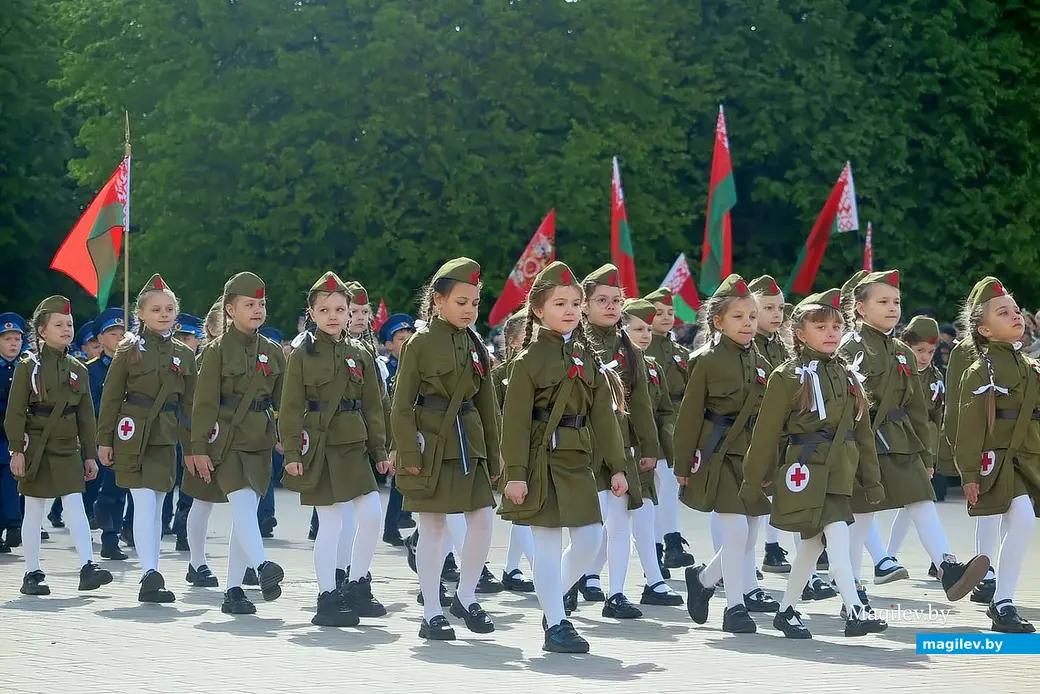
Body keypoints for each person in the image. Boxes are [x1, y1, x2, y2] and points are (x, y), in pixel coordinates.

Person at [741, 288, 888, 638]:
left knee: (811, 545)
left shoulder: (848, 375)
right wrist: (755, 478)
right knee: (837, 535)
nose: (831, 333)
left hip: (839, 471)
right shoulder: (788, 375)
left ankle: (787, 610)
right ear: (800, 333)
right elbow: (766, 433)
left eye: (837, 326)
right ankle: (855, 609)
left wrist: (872, 480)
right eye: (821, 326)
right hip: (806, 471)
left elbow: (862, 433)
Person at [499, 261, 628, 653]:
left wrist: (618, 465)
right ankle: (556, 621)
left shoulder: (584, 358)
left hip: (576, 460)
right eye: (559, 303)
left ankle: (550, 598)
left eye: (575, 303)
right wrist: (515, 474)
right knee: (548, 545)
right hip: (540, 462)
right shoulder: (528, 362)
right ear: (538, 310)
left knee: (592, 538)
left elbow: (603, 416)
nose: (570, 310)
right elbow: (516, 423)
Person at [840, 270, 989, 607]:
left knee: (922, 500)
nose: (892, 307)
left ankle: (947, 566)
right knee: (860, 518)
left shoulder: (903, 353)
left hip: (902, 442)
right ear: (860, 308)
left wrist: (927, 454)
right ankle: (851, 588)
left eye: (895, 301)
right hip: (863, 442)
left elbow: (918, 410)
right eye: (882, 301)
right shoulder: (849, 347)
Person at [390, 257, 501, 641]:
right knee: (433, 528)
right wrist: (408, 453)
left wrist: (496, 452)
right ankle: (432, 611)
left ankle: (466, 596)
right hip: (433, 444)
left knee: (483, 520)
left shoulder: (477, 345)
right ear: (438, 301)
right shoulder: (419, 344)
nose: (470, 309)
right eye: (461, 302)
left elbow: (488, 404)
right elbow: (401, 404)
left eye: (474, 302)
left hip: (470, 444)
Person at [280, 271, 390, 627]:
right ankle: (327, 596)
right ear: (311, 313)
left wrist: (380, 450)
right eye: (324, 309)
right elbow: (291, 406)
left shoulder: (361, 353)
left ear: (349, 313)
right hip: (321, 448)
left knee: (372, 514)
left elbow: (374, 406)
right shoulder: (302, 355)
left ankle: (357, 582)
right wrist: (293, 453)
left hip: (355, 446)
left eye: (340, 309)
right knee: (330, 524)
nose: (333, 316)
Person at [675, 275, 777, 634]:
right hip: (717, 454)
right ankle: (734, 607)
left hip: (750, 455)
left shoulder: (759, 359)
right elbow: (690, 414)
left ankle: (702, 580)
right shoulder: (705, 359)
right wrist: (683, 462)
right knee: (735, 532)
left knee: (750, 533)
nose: (748, 322)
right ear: (718, 321)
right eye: (739, 316)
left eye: (752, 315)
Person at [96, 275, 197, 603]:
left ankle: (151, 572)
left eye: (169, 308)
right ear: (141, 313)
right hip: (133, 434)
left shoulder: (184, 354)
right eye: (156, 309)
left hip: (166, 437)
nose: (164, 314)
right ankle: (150, 573)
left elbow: (190, 406)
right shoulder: (128, 348)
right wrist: (104, 440)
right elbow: (111, 397)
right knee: (143, 502)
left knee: (157, 504)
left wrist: (194, 447)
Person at [191, 272, 286, 615]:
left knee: (246, 512)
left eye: (261, 304)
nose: (258, 310)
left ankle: (233, 590)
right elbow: (203, 404)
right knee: (244, 506)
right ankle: (261, 566)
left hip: (259, 439)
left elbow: (284, 402)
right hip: (227, 439)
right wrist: (198, 448)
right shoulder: (216, 352)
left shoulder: (273, 352)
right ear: (230, 310)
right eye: (249, 304)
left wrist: (289, 440)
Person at [3, 296, 112, 595]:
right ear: (41, 331)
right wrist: (16, 450)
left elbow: (87, 416)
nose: (66, 329)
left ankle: (88, 567)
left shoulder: (78, 368)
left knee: (75, 504)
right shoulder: (29, 366)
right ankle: (32, 572)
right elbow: (15, 411)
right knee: (35, 510)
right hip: (36, 446)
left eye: (70, 324)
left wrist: (90, 454)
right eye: (59, 324)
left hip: (66, 447)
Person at [955, 277, 1039, 633]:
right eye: (1003, 313)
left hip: (1028, 458)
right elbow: (969, 425)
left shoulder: (1028, 366)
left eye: (1016, 311)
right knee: (1021, 520)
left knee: (1022, 524)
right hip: (999, 462)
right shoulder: (980, 370)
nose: (1016, 316)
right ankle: (1002, 602)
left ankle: (1002, 600)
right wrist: (969, 473)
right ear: (985, 330)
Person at [576, 264, 658, 619]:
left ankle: (617, 593)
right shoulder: (575, 344)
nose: (610, 307)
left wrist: (650, 448)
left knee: (620, 522)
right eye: (602, 300)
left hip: (621, 446)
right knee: (585, 525)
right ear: (584, 305)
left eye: (616, 300)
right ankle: (573, 581)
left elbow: (641, 404)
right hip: (582, 445)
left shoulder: (629, 350)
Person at [621, 299, 684, 607]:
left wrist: (667, 451)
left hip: (645, 452)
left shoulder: (652, 366)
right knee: (608, 527)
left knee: (645, 514)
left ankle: (654, 579)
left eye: (648, 329)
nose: (646, 335)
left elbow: (662, 413)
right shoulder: (613, 364)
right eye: (638, 329)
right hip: (616, 453)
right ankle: (590, 578)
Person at [884, 316, 947, 571]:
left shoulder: (936, 378)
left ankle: (891, 555)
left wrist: (931, 454)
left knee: (916, 501)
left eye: (931, 352)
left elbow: (936, 417)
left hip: (922, 446)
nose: (924, 357)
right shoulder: (895, 368)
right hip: (894, 440)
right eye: (919, 350)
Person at [642, 287, 695, 577]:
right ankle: (661, 547)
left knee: (670, 484)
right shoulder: (640, 348)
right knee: (656, 487)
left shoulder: (680, 352)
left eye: (670, 312)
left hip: (675, 422)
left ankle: (669, 543)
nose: (665, 317)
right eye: (658, 312)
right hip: (651, 421)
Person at [180, 301, 233, 588]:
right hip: (209, 439)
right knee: (202, 502)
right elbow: (189, 408)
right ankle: (196, 562)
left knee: (244, 505)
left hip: (236, 438)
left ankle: (246, 560)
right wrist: (192, 447)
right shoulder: (201, 361)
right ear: (211, 330)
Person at [748, 275, 793, 574]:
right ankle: (738, 566)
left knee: (779, 491)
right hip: (751, 430)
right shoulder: (748, 346)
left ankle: (773, 547)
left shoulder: (781, 346)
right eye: (768, 308)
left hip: (780, 430)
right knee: (744, 504)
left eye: (780, 308)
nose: (776, 315)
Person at [491, 308, 535, 592]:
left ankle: (511, 568)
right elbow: (494, 417)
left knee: (527, 511)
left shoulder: (539, 369)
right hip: (511, 449)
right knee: (523, 511)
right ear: (512, 341)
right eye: (527, 336)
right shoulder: (498, 376)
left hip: (537, 448)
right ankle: (544, 572)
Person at [87, 307, 129, 560]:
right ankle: (101, 516)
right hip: (100, 436)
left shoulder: (134, 366)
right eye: (112, 333)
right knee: (102, 486)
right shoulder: (90, 370)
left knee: (118, 487)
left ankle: (111, 539)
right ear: (100, 340)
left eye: (122, 332)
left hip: (127, 435)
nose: (118, 337)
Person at [378, 312, 417, 547]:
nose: (408, 342)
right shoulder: (387, 370)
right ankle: (392, 526)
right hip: (395, 432)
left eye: (410, 336)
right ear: (389, 345)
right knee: (398, 483)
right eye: (401, 339)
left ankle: (400, 520)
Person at [170, 313, 205, 551]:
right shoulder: (169, 360)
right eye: (179, 336)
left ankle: (183, 532)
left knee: (190, 485)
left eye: (188, 337)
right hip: (168, 428)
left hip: (193, 430)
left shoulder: (205, 361)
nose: (183, 341)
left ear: (198, 340)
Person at [0, 312, 27, 552]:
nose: (12, 344)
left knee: (13, 482)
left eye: (17, 339)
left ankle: (14, 524)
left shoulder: (26, 368)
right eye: (7, 339)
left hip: (16, 438)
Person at [257, 325, 283, 539]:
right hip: (247, 427)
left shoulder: (279, 363)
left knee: (267, 473)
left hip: (269, 427)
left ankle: (266, 515)